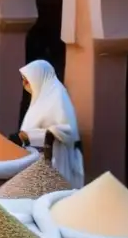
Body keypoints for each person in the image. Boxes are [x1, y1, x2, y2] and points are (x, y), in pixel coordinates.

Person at [14, 60, 84, 188]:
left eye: (27, 80)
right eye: (23, 80)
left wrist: (31, 135)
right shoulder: (41, 96)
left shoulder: (57, 95)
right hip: (36, 158)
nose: (24, 84)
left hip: (56, 158)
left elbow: (67, 130)